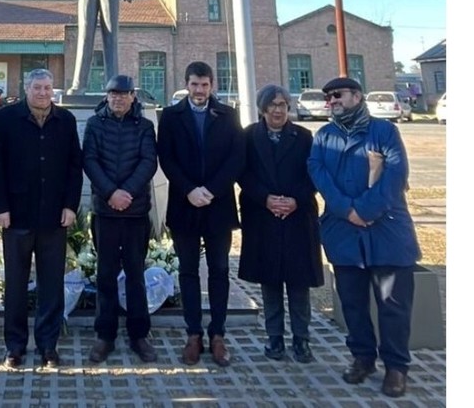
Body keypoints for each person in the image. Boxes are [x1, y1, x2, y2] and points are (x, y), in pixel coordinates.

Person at [307, 77, 420, 398]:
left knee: (393, 304)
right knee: (353, 303)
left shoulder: (384, 132)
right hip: (345, 232)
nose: (332, 101)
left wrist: (367, 210)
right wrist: (347, 211)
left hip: (386, 232)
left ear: (357, 96)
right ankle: (363, 358)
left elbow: (396, 174)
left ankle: (396, 366)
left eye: (338, 95)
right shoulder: (324, 137)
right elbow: (319, 175)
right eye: (328, 97)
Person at [0, 68, 83, 368]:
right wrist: (0, 207)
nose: (43, 93)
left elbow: (74, 167)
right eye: (37, 87)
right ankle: (14, 347)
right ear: (26, 88)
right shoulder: (6, 119)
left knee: (51, 284)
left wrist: (70, 206)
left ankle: (47, 346)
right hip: (16, 215)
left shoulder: (65, 121)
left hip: (54, 217)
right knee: (15, 284)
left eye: (48, 87)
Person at [156, 61, 245, 366]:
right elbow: (166, 156)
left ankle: (217, 334)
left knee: (220, 271)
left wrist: (213, 190)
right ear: (186, 84)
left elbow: (237, 155)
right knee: (189, 271)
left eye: (205, 85)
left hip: (217, 205)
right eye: (194, 84)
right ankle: (193, 334)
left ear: (212, 85)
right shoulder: (170, 116)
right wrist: (189, 189)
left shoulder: (228, 114)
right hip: (185, 203)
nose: (199, 90)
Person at [237, 85, 323, 364]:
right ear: (263, 108)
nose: (278, 110)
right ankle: (274, 338)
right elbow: (242, 172)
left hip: (297, 216)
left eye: (283, 105)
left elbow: (314, 174)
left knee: (298, 283)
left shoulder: (304, 137)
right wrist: (266, 199)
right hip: (263, 216)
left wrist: (295, 200)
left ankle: (302, 340)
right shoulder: (249, 137)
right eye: (272, 105)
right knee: (270, 281)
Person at [82, 75, 158, 363]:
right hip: (105, 212)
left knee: (136, 275)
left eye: (123, 94)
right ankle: (105, 335)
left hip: (136, 211)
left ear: (132, 97)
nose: (118, 98)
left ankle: (139, 334)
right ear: (107, 96)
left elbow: (148, 161)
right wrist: (112, 193)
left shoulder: (145, 126)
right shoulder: (95, 124)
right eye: (113, 94)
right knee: (105, 275)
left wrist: (127, 192)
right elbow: (90, 160)